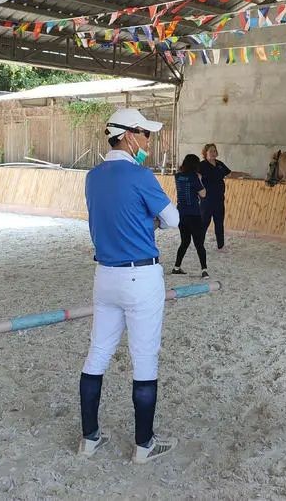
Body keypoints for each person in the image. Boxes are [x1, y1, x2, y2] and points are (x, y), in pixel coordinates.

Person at [79, 108, 180, 464]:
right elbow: (173, 219)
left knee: (97, 354)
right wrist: (150, 222)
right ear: (127, 135)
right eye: (145, 134)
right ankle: (143, 445)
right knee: (144, 359)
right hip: (141, 277)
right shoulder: (141, 176)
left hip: (105, 275)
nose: (148, 142)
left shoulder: (92, 177)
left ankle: (90, 438)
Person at [172, 154, 209, 279]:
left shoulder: (177, 176)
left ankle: (176, 267)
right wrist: (200, 179)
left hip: (181, 214)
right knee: (199, 244)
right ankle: (204, 270)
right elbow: (203, 194)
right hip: (194, 214)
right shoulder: (194, 177)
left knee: (185, 242)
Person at [198, 144, 230, 252]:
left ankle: (220, 246)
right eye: (211, 151)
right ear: (205, 153)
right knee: (204, 223)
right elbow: (195, 176)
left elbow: (229, 173)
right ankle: (199, 244)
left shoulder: (220, 164)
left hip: (219, 199)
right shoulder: (202, 165)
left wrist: (243, 174)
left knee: (219, 223)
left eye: (214, 151)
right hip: (207, 200)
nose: (213, 153)